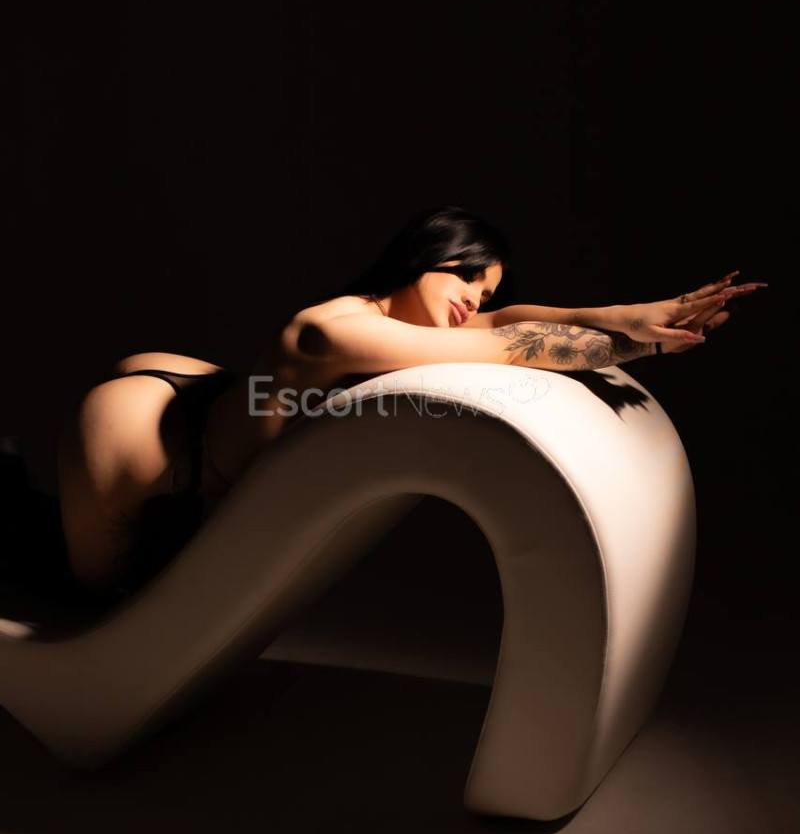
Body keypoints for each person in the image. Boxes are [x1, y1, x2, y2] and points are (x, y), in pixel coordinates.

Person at [55, 204, 766, 604]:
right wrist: (648, 348)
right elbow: (510, 346)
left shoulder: (398, 324)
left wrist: (637, 314)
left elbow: (513, 320)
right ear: (426, 255)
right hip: (140, 437)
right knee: (90, 601)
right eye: (466, 279)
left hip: (204, 397)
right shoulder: (335, 330)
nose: (473, 303)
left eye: (483, 293)